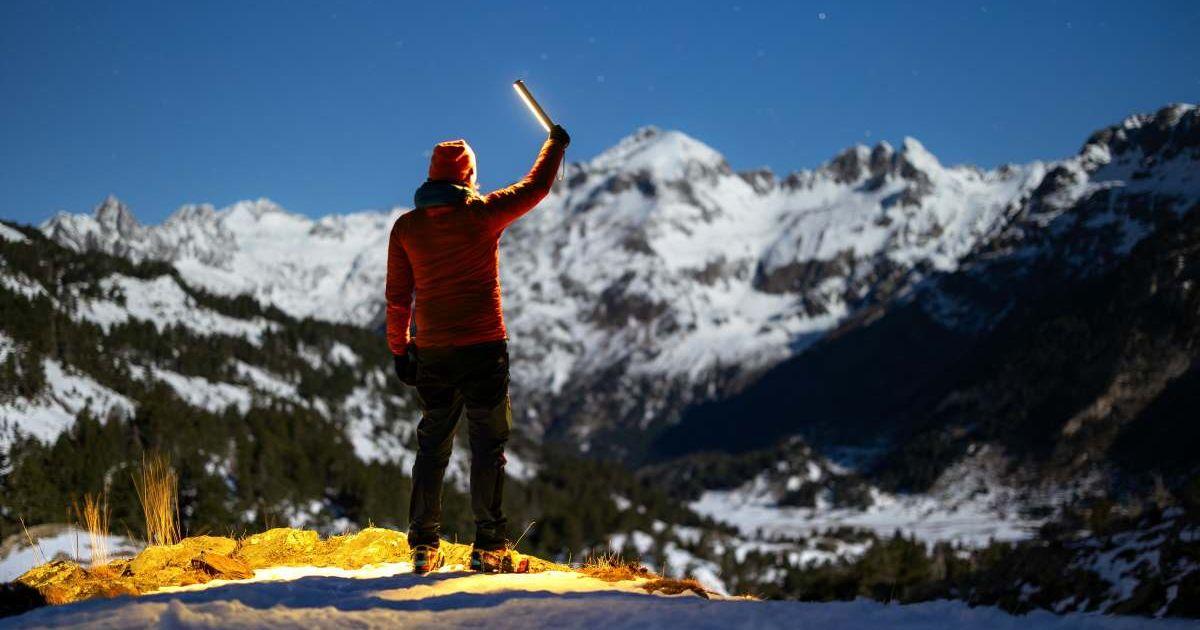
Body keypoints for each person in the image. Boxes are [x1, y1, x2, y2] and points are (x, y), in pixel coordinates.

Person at [386, 123, 570, 574]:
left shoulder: (406, 228)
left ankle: (424, 547)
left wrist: (400, 350)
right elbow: (536, 186)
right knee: (488, 448)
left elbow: (397, 296)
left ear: (431, 178)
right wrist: (555, 144)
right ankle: (489, 548)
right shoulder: (483, 214)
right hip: (485, 349)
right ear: (468, 177)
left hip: (432, 351)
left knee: (433, 446)